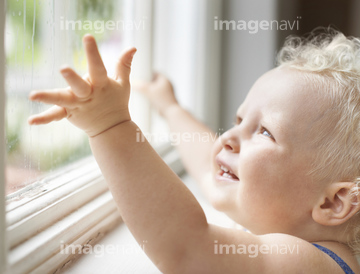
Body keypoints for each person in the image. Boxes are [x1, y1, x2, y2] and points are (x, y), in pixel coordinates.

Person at [28, 29, 360, 273]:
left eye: (264, 132)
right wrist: (170, 108)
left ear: (332, 202)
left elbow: (187, 248)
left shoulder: (314, 265)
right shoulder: (285, 227)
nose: (229, 137)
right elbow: (207, 163)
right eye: (239, 119)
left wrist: (109, 126)